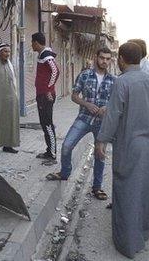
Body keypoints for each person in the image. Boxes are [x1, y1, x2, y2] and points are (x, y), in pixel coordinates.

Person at [94, 42, 149, 259]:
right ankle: (143, 234)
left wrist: (102, 140)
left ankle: (127, 243)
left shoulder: (122, 82)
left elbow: (113, 114)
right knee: (147, 191)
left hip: (131, 147)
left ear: (121, 60)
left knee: (127, 192)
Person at [46, 47, 116, 202]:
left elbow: (116, 102)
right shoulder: (85, 75)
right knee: (66, 146)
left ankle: (97, 187)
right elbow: (74, 96)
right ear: (96, 57)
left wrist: (107, 107)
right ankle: (65, 173)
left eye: (107, 58)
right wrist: (87, 104)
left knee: (100, 155)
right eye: (102, 57)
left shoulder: (113, 80)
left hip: (102, 123)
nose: (104, 61)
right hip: (84, 118)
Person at [31, 32, 60, 163]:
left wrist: (48, 89)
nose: (31, 45)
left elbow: (55, 71)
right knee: (44, 124)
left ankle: (52, 154)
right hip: (41, 95)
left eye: (32, 42)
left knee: (47, 124)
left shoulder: (46, 55)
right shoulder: (42, 55)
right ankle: (49, 151)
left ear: (36, 42)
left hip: (45, 96)